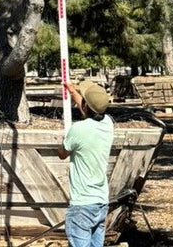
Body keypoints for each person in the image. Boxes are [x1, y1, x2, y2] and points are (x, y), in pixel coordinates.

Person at [57, 80, 114, 247]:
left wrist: (63, 140)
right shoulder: (108, 123)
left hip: (82, 205)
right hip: (101, 202)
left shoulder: (78, 129)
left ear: (86, 107)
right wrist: (72, 90)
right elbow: (87, 109)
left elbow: (62, 154)